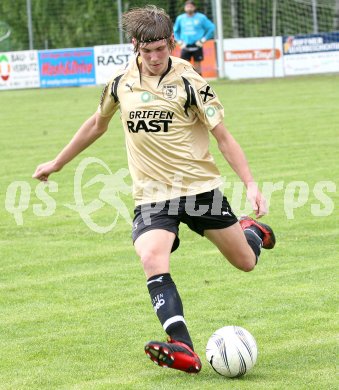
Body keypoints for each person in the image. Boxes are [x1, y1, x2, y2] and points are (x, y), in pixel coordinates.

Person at [32, 5, 275, 374]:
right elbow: (96, 125)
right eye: (147, 51)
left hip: (199, 191)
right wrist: (57, 162)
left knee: (245, 262)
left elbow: (223, 138)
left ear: (171, 43)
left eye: (161, 49)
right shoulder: (120, 83)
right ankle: (182, 345)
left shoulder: (191, 82)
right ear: (135, 46)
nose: (155, 57)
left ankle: (252, 232)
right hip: (151, 196)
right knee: (151, 257)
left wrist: (251, 185)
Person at [174, 0, 215, 75]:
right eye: (187, 6)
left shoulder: (201, 17)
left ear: (194, 7)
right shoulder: (180, 18)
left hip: (197, 44)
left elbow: (211, 28)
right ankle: (185, 84)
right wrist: (179, 41)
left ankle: (200, 85)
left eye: (191, 6)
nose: (189, 8)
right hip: (185, 45)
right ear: (184, 8)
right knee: (184, 65)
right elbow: (175, 31)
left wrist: (203, 39)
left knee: (197, 66)